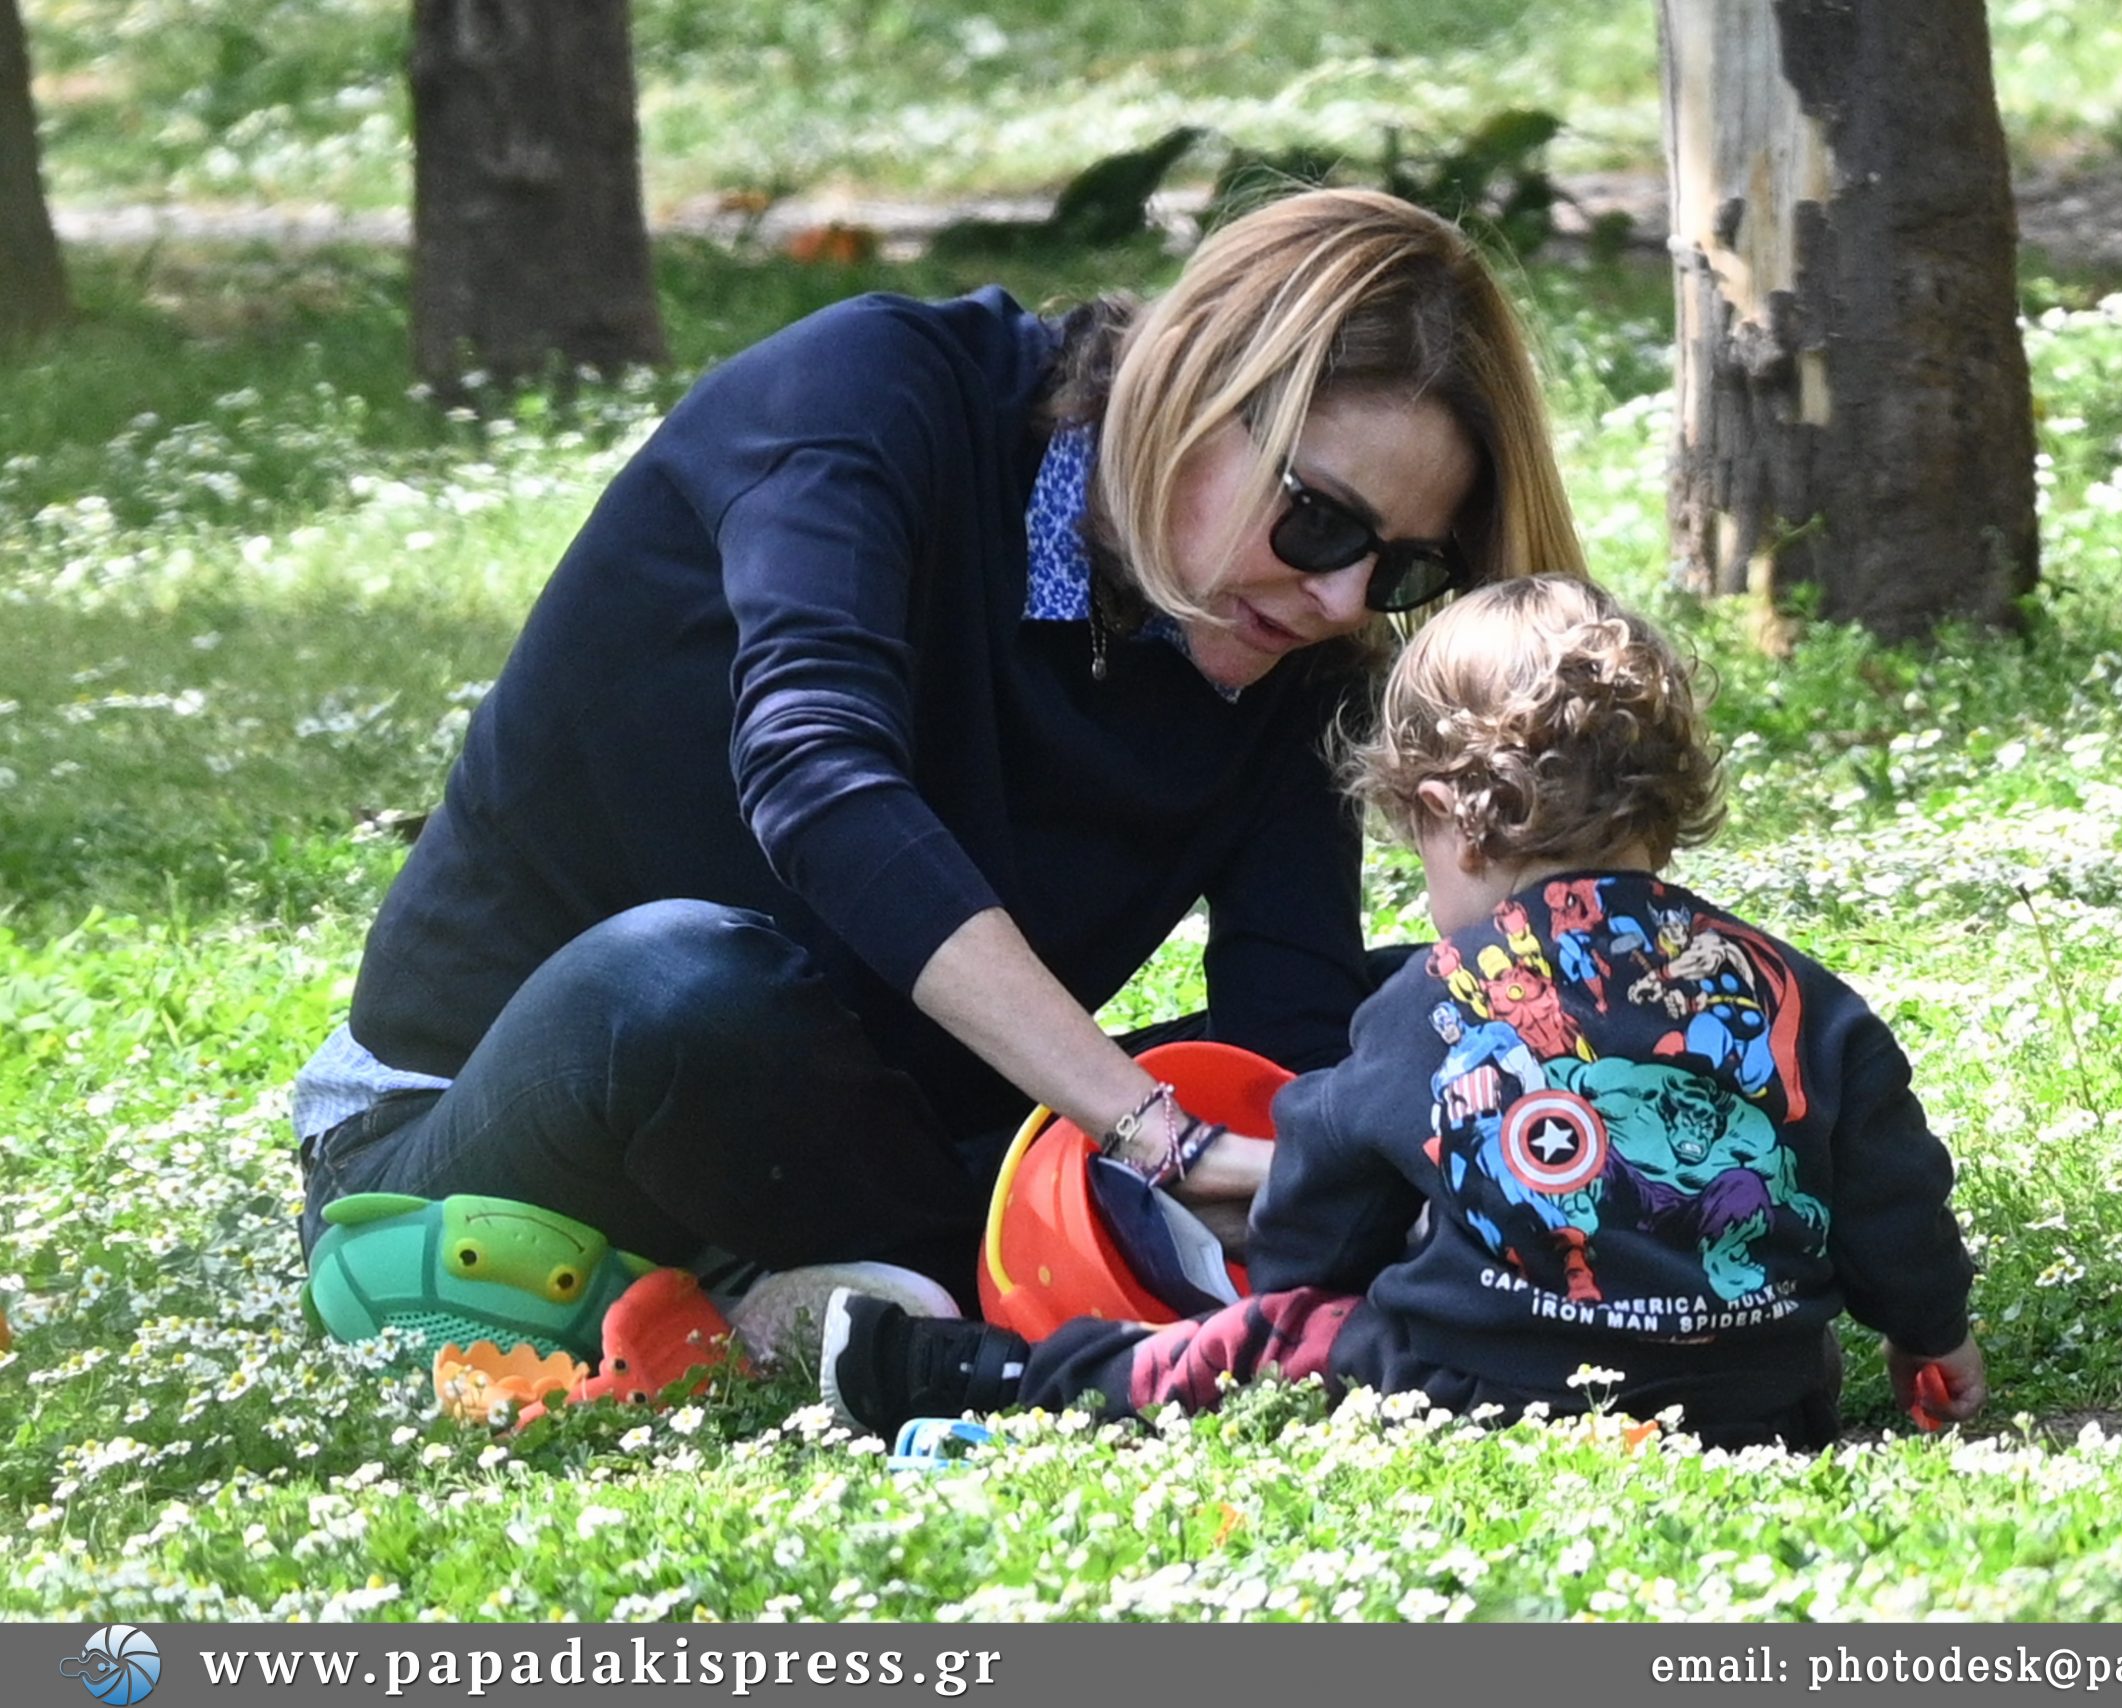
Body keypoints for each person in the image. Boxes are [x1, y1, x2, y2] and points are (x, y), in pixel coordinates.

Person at [287, 188, 1587, 1350]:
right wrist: (1155, 1137)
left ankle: (887, 1291)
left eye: (1408, 570)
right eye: (1319, 517)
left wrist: (1333, 1126)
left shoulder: (1296, 625)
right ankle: (1037, 1288)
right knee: (682, 980)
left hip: (880, 1133)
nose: (1344, 593)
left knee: (1439, 1006)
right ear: (1194, 379)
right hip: (504, 1128)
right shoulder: (870, 393)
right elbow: (820, 780)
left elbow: (1285, 1025)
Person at [821, 577, 1987, 1448]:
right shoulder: (1794, 996)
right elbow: (1890, 1194)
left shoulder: (1438, 999)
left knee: (1258, 1348)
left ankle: (970, 1375)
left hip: (1475, 1389)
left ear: (1452, 816)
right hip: (1755, 1409)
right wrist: (1930, 1336)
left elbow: (1322, 1220)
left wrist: (1288, 1283)